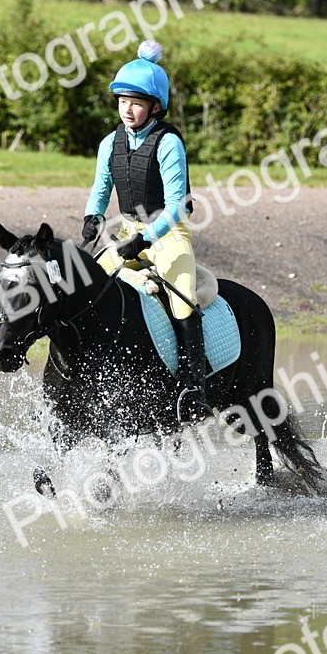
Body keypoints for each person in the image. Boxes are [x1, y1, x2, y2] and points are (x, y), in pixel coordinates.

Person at [81, 40, 213, 422]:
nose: (127, 109)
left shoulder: (169, 143)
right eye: (123, 101)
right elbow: (101, 187)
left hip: (167, 235)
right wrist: (92, 215)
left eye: (136, 103)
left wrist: (145, 238)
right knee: (89, 290)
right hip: (126, 232)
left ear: (155, 106)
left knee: (183, 298)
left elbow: (177, 206)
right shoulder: (110, 142)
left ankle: (193, 387)